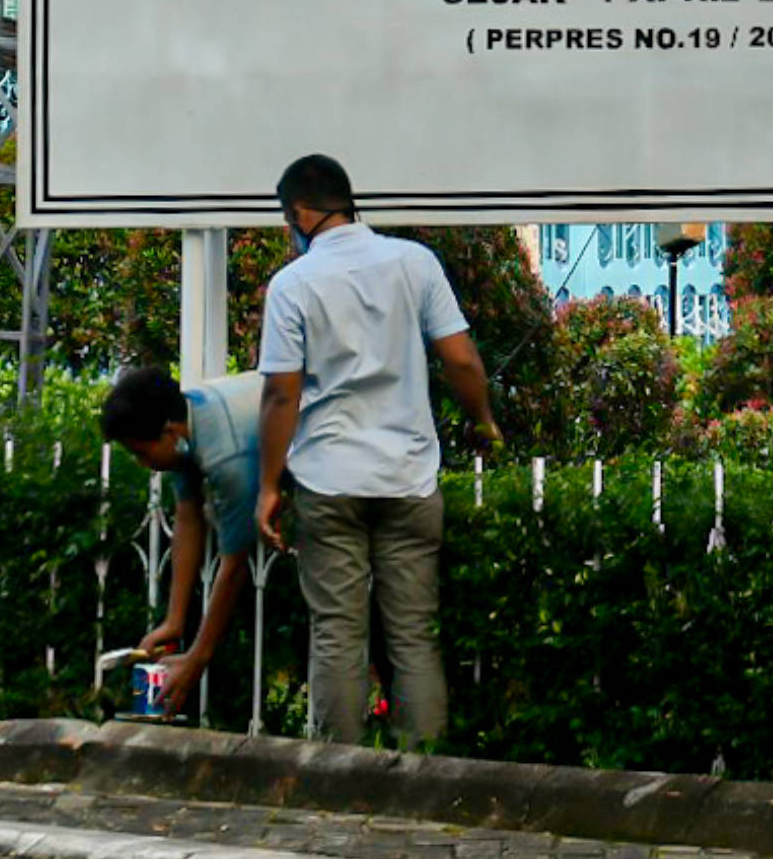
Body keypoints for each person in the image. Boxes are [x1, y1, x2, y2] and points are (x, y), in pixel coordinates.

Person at [253, 153, 500, 746]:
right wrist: (484, 422)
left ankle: (339, 774)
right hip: (409, 478)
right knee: (413, 636)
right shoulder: (414, 263)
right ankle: (423, 771)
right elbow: (461, 359)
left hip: (328, 480)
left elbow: (281, 395)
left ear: (299, 213)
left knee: (338, 634)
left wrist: (268, 485)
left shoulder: (292, 285)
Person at [99, 363, 263, 718]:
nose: (141, 464)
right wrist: (174, 621)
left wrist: (197, 659)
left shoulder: (226, 456)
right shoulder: (185, 424)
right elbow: (188, 516)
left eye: (141, 453)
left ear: (170, 433)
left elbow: (235, 562)